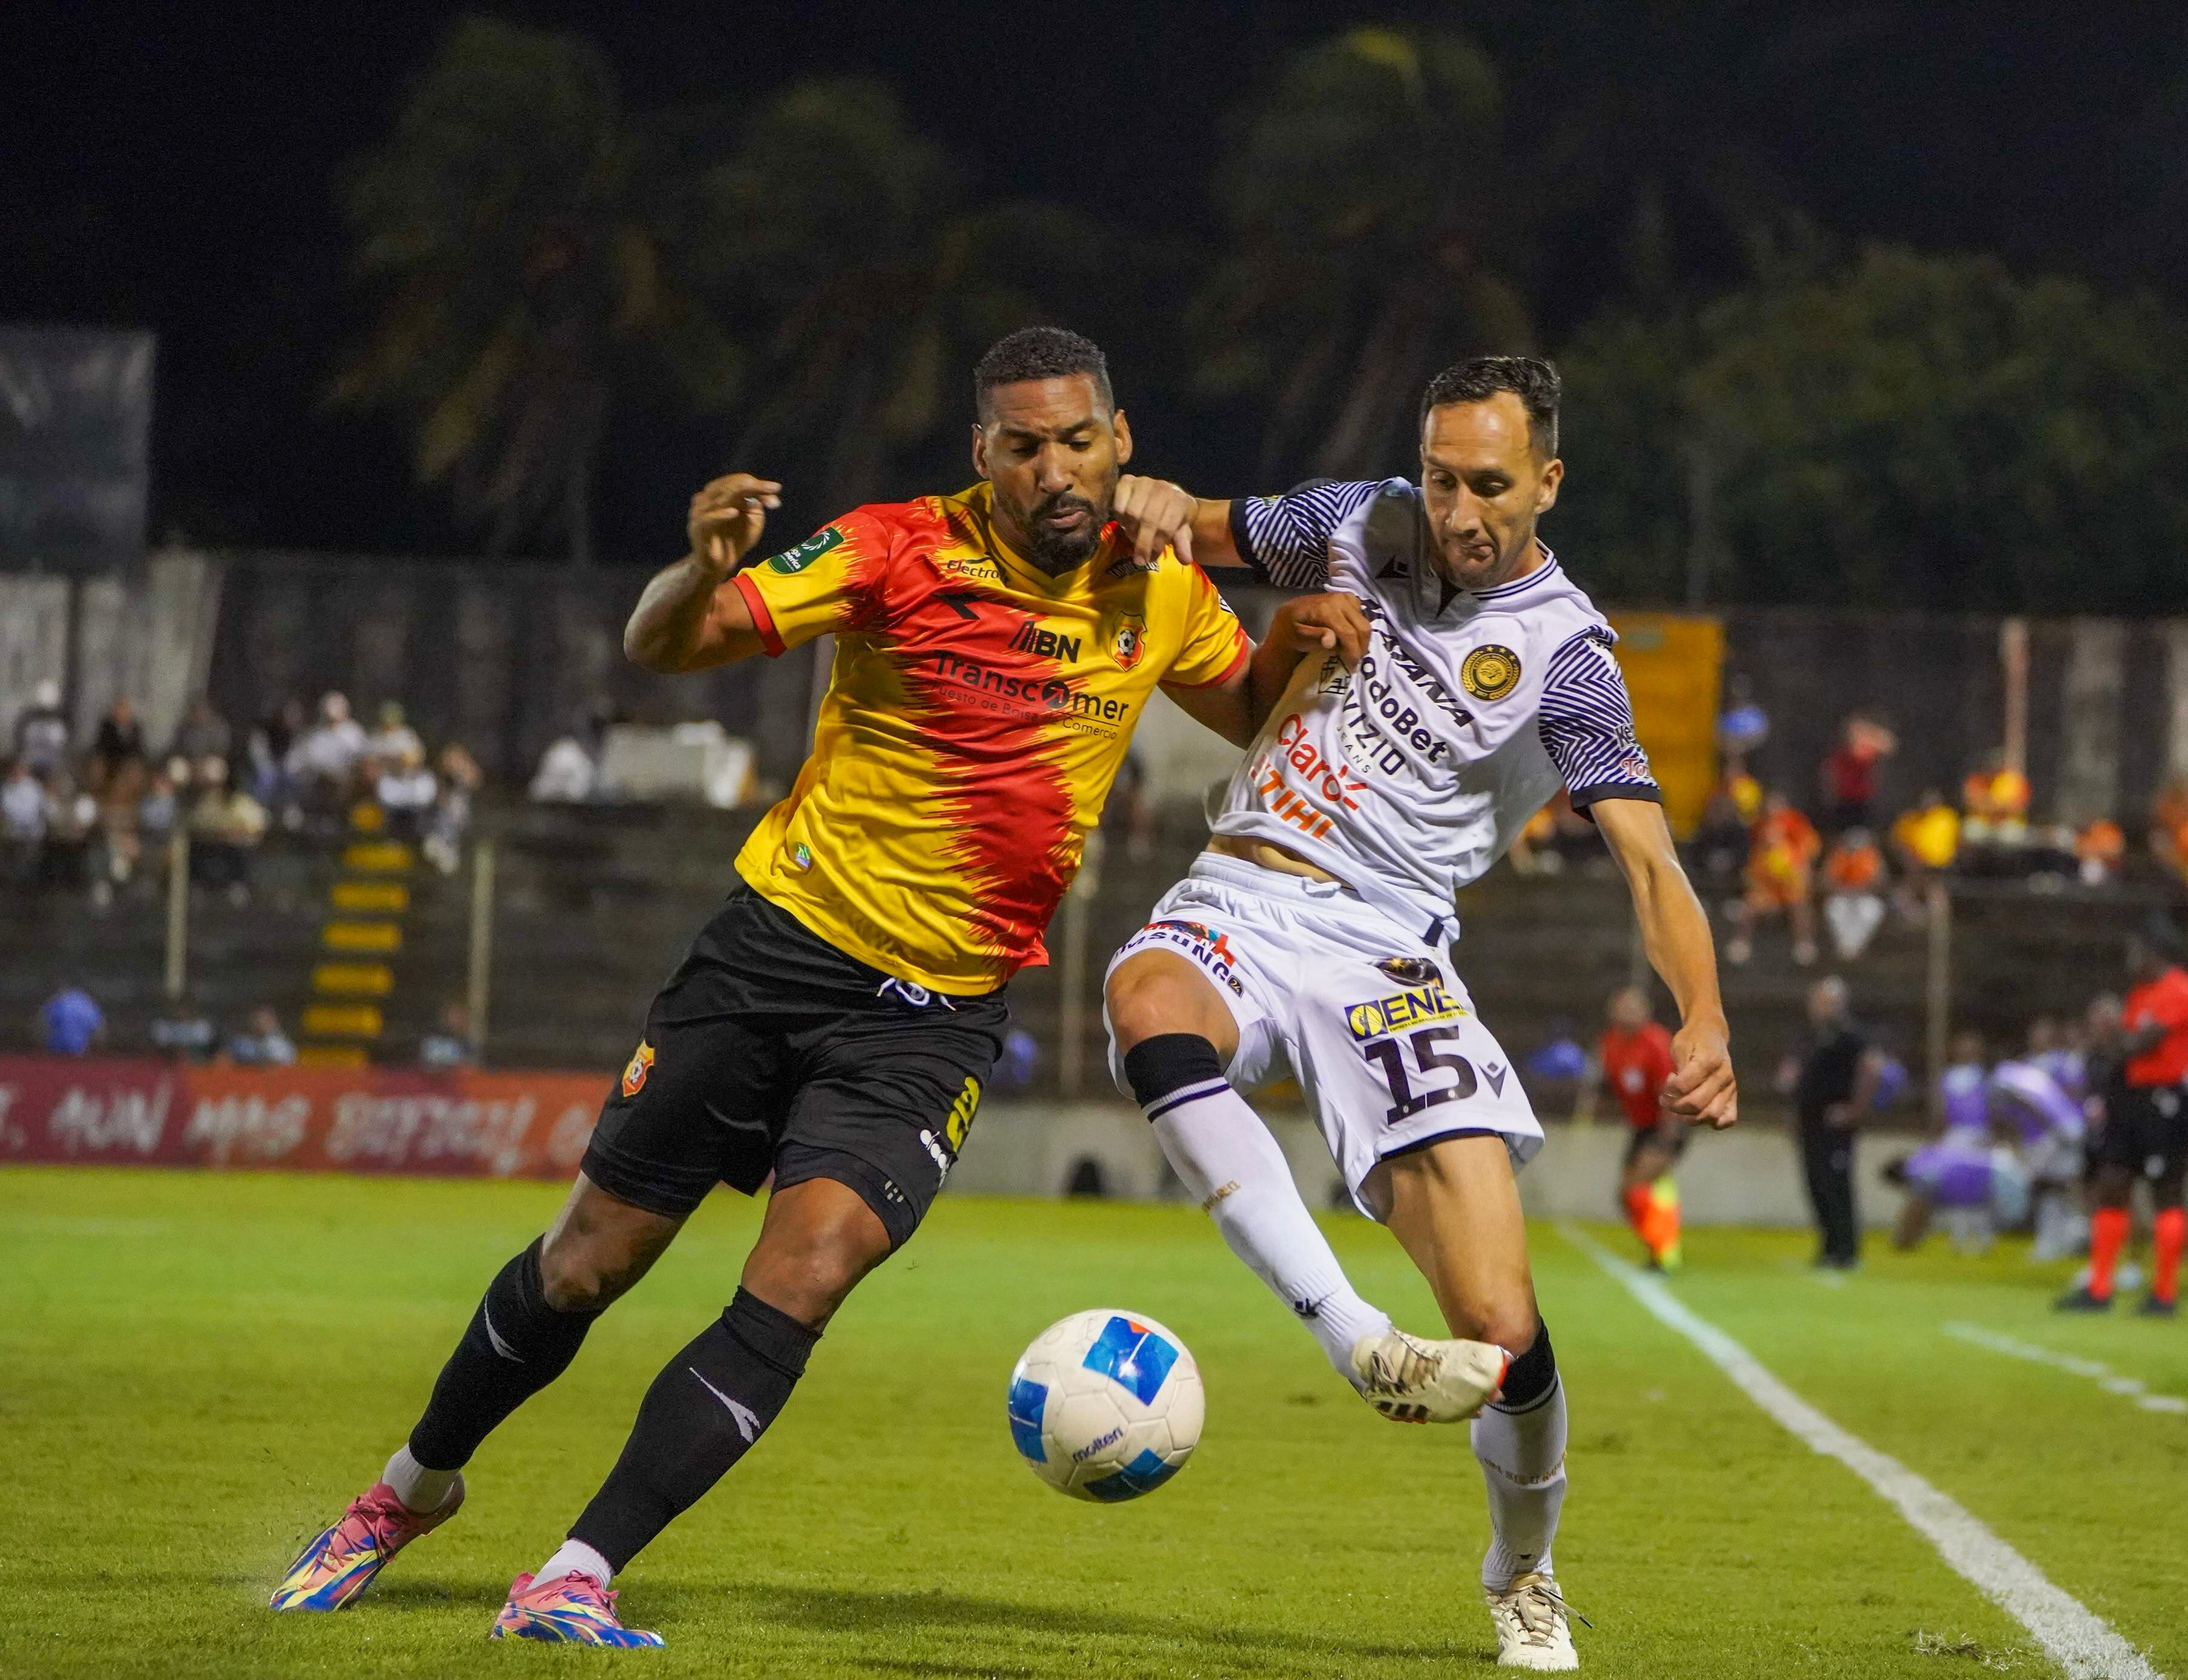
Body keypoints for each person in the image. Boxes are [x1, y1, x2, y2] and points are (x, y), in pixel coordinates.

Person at [271, 327, 1301, 1647]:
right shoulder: (892, 546)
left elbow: (1257, 717)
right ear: (983, 453)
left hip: (937, 1014)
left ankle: (577, 1571)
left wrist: (1306, 638)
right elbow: (671, 646)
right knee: (591, 1261)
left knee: (806, 1272)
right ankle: (405, 1493)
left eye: (1078, 442)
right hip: (776, 956)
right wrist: (694, 572)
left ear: (1123, 442)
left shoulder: (1158, 587)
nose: (1055, 469)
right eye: (1025, 445)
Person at [1098, 356, 1737, 1670]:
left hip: (1390, 950)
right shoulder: (1357, 517)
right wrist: (1153, 500)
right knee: (1146, 1000)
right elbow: (1200, 524)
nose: (1456, 510)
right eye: (1443, 477)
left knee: (1504, 1333)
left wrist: (1706, 1015)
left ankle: (1525, 1569)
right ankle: (1357, 1338)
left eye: (1490, 486)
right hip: (1244, 883)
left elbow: (1647, 860)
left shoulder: (1567, 654)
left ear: (1548, 482)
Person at [2058, 924, 2188, 1315]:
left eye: (2135, 951)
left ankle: (2163, 1294)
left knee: (2166, 1192)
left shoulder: (2177, 990)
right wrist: (2119, 1041)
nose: (2129, 961)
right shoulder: (2141, 994)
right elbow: (2122, 1049)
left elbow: (2139, 1044)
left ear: (2153, 952)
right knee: (2113, 1183)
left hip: (2163, 1101)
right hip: (2130, 1098)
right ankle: (2099, 1288)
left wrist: (2117, 1038)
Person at [1782, 976, 1879, 1269]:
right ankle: (1828, 1247)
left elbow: (1871, 1070)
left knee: (1836, 1184)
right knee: (1815, 1184)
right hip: (1809, 1123)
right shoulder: (1809, 1036)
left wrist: (1856, 1110)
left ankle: (1846, 1249)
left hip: (1835, 1125)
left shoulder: (1852, 1036)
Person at [1591, 986, 1684, 1269]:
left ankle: (1664, 1250)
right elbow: (1611, 1082)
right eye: (1621, 1008)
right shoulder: (1610, 1044)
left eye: (1633, 1008)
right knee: (1625, 1196)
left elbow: (1671, 1089)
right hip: (1641, 1126)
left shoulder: (1656, 1042)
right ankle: (1656, 1246)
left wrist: (1670, 1135)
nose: (1627, 1013)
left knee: (1639, 1186)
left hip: (1666, 1123)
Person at [1726, 790, 1820, 966]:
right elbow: (1753, 872)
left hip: (1789, 884)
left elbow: (1810, 848)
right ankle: (1741, 943)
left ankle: (1805, 943)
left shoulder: (1795, 823)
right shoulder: (1760, 829)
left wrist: (1801, 871)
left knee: (1800, 904)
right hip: (1767, 887)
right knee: (1750, 906)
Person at [1820, 827, 1887, 961]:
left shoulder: (1872, 856)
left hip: (1865, 896)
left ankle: (1855, 947)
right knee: (1835, 909)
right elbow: (1825, 882)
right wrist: (1845, 890)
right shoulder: (1838, 856)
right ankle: (1846, 947)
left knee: (1871, 910)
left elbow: (1881, 882)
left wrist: (1861, 890)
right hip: (1842, 895)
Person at [38, 982, 105, 1056]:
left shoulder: (56, 1001)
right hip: (79, 1052)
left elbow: (41, 1027)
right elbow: (100, 1031)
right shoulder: (87, 1003)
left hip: (56, 1052)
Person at [226, 1004, 297, 1067]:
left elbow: (277, 1065)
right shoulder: (245, 1042)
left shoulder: (280, 1044)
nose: (259, 1023)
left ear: (273, 1022)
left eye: (264, 1020)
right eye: (256, 1019)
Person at [418, 1000, 476, 1070]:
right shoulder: (431, 1037)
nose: (458, 1019)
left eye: (461, 1016)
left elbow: (468, 1065)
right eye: (455, 1015)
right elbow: (425, 1062)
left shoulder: (466, 1042)